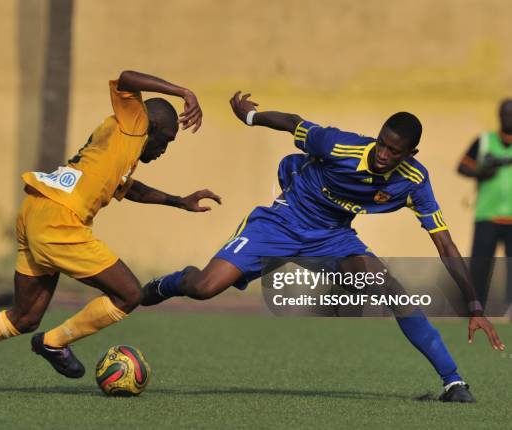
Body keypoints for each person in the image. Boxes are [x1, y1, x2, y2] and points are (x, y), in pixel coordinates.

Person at [141, 91, 506, 403]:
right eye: (381, 143)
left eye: (394, 151)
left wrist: (474, 304)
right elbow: (293, 123)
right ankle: (166, 284)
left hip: (331, 236)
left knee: (392, 291)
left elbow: (444, 243)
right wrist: (251, 116)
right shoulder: (337, 145)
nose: (383, 155)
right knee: (205, 288)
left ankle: (453, 381)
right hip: (281, 223)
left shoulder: (413, 181)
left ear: (411, 153)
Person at [0, 70, 221, 392]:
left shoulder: (120, 148)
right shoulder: (134, 123)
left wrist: (178, 201)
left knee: (25, 317)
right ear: (151, 126)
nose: (164, 150)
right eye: (167, 140)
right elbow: (127, 77)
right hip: (61, 221)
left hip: (36, 211)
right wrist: (183, 91)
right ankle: (54, 343)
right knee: (129, 294)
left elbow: (131, 189)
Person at [457, 99, 512, 311]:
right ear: (499, 116)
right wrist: (481, 172)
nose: (509, 118)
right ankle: (474, 311)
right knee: (479, 267)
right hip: (487, 215)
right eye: (506, 114)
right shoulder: (484, 141)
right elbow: (462, 166)